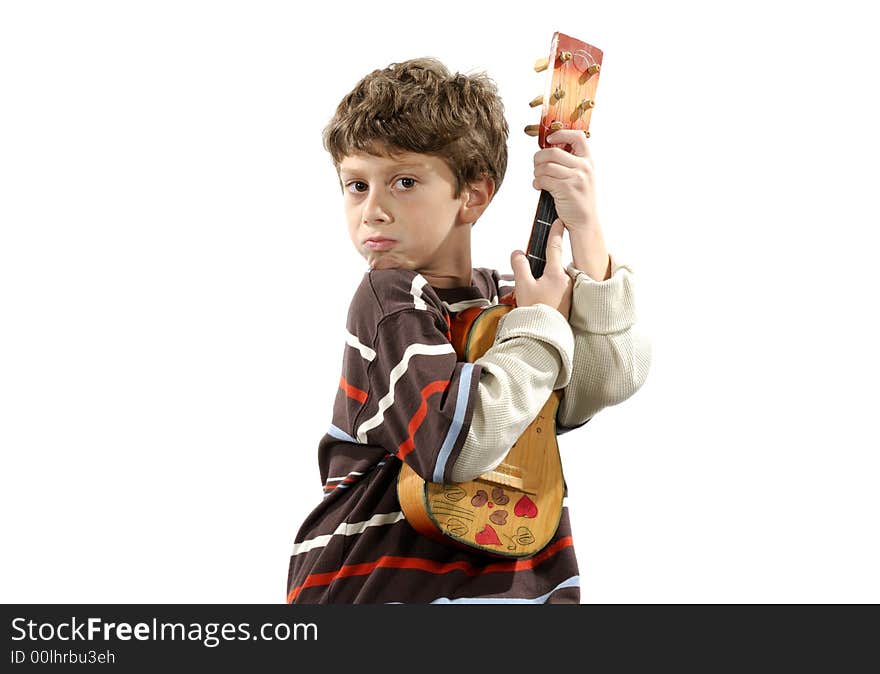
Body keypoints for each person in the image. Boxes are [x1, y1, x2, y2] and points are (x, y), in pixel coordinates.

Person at [286, 57, 650, 604]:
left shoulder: (515, 304)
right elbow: (453, 446)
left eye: (403, 181)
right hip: (378, 586)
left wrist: (587, 231)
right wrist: (542, 323)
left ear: (474, 195)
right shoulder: (390, 299)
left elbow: (606, 381)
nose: (373, 210)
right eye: (356, 185)